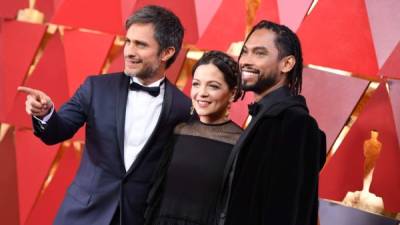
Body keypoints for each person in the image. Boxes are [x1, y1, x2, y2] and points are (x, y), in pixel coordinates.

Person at [18, 5, 191, 225]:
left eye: (140, 45)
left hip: (135, 217)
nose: (128, 51)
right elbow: (56, 132)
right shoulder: (96, 88)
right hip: (83, 214)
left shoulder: (182, 108)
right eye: (128, 41)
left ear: (167, 52)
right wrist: (45, 114)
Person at [221, 20, 326, 225]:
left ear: (287, 64)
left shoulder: (297, 124)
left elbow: (287, 212)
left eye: (259, 53)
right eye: (245, 52)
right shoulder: (266, 118)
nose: (246, 61)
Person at [144, 50, 243, 225]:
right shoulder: (176, 131)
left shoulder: (240, 143)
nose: (201, 93)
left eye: (213, 86)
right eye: (196, 84)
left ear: (233, 93)